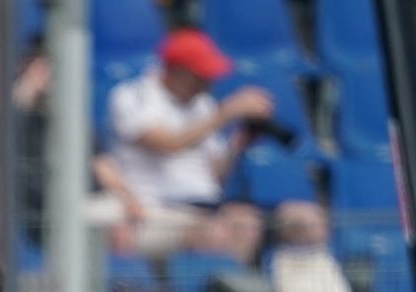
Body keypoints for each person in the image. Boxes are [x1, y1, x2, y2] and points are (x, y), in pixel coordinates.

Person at [91, 28, 283, 264]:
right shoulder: (131, 96)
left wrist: (236, 145)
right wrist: (226, 113)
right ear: (176, 71)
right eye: (200, 75)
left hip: (207, 205)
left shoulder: (203, 104)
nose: (207, 82)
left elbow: (217, 176)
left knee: (300, 220)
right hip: (157, 210)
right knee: (218, 234)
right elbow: (168, 144)